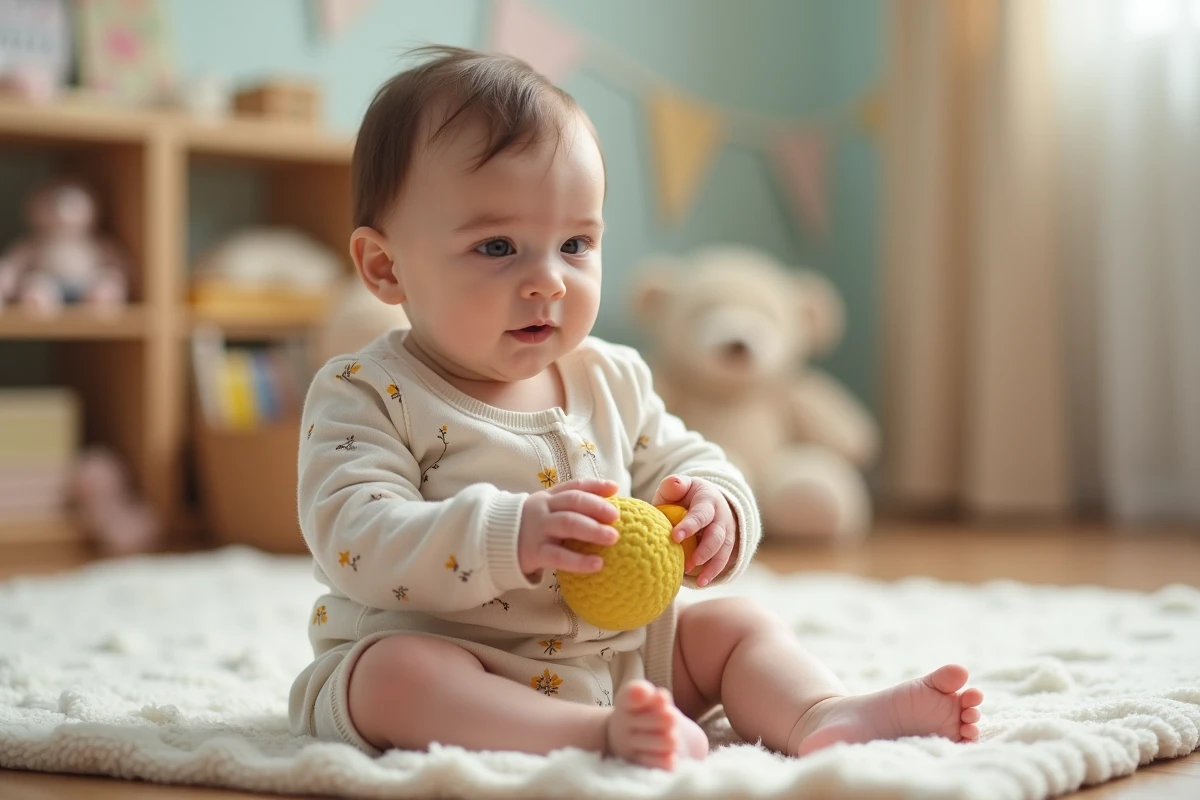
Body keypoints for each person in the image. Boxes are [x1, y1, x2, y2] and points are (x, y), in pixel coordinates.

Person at [288, 46, 982, 770]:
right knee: (390, 679)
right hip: (460, 661)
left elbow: (686, 458)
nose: (549, 281)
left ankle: (822, 714)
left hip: (619, 661)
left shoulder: (609, 376)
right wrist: (510, 533)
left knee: (735, 626)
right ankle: (591, 738)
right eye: (498, 246)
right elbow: (354, 536)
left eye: (575, 244)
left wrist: (718, 508)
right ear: (385, 267)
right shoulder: (369, 391)